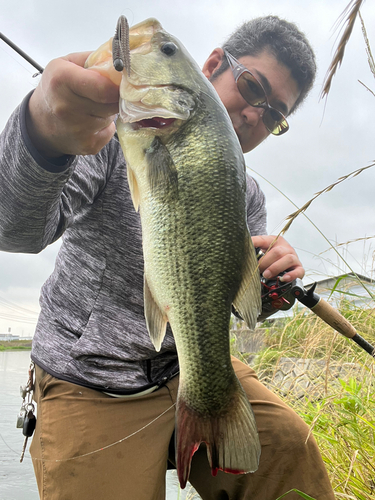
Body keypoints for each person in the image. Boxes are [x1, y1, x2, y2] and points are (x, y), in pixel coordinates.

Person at [0, 15, 335, 500]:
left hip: (190, 365)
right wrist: (44, 136)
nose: (253, 116)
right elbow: (15, 228)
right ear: (215, 64)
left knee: (289, 449)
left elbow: (232, 302)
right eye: (252, 87)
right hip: (91, 378)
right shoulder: (109, 136)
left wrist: (270, 290)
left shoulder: (248, 194)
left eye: (274, 114)